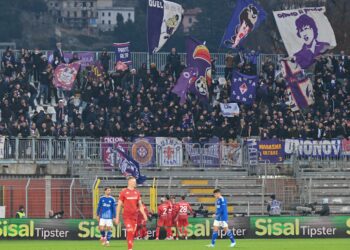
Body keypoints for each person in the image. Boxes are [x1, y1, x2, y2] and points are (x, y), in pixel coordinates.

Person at [116, 176, 147, 250]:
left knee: (132, 233)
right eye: (134, 182)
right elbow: (119, 205)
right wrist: (117, 217)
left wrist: (144, 214)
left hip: (134, 216)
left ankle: (130, 245)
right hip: (127, 216)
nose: (135, 183)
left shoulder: (137, 192)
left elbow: (140, 205)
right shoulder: (123, 192)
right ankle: (130, 248)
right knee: (129, 230)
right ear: (130, 182)